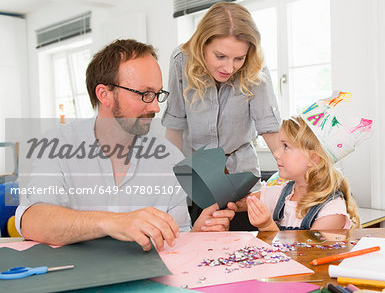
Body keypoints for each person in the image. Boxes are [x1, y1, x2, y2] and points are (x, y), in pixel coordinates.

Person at [15, 39, 236, 251]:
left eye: (157, 94)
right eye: (144, 94)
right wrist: (112, 223)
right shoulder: (57, 145)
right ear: (104, 94)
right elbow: (31, 220)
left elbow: (175, 238)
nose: (156, 108)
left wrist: (197, 235)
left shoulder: (170, 158)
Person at [162, 2, 280, 189]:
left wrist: (298, 174)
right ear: (202, 45)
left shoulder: (255, 66)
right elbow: (175, 126)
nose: (229, 68)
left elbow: (268, 125)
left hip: (242, 172)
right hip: (195, 174)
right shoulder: (181, 61)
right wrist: (170, 183)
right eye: (220, 56)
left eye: (239, 58)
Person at [245, 93, 373, 231]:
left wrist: (267, 226)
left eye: (286, 146)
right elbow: (243, 203)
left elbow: (305, 252)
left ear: (313, 158)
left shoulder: (332, 211)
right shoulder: (281, 193)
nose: (276, 153)